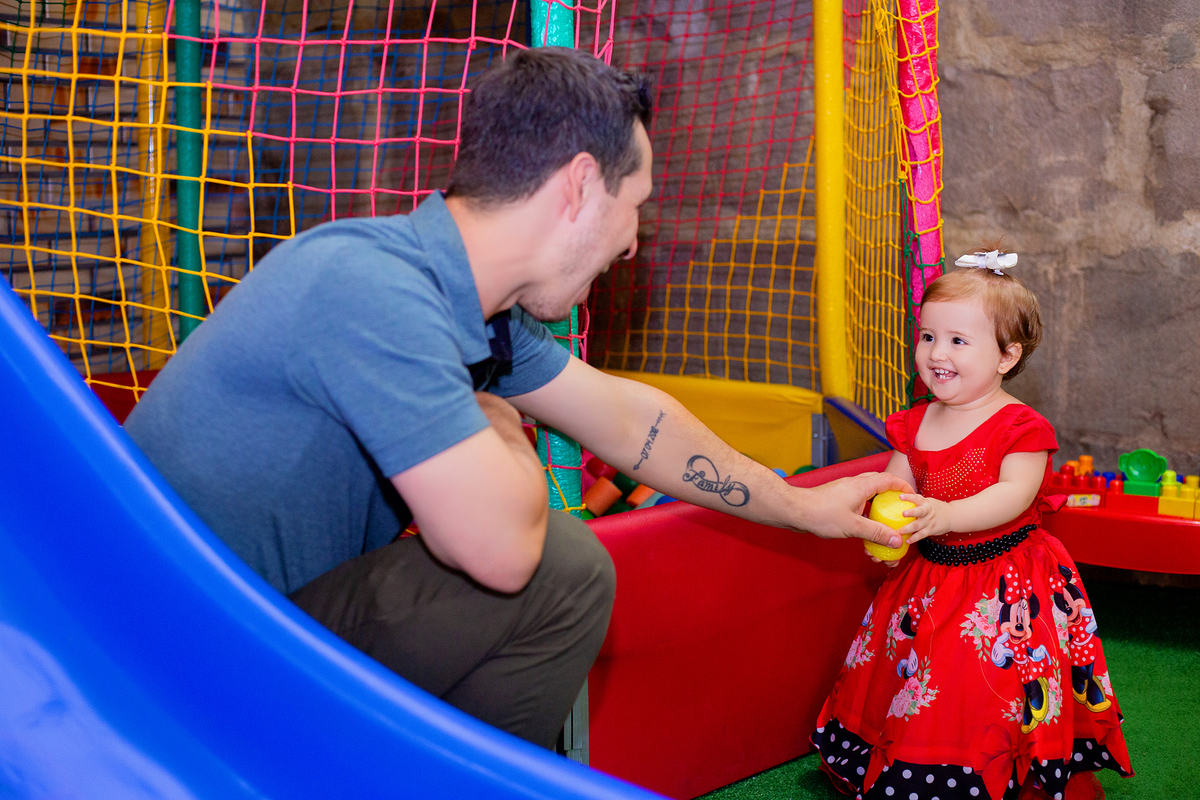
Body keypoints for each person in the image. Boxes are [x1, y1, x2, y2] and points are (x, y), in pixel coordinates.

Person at [124, 47, 909, 751]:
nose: (632, 242)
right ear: (579, 186)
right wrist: (501, 423)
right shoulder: (372, 288)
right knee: (561, 571)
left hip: (247, 632)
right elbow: (501, 555)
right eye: (634, 204)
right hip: (172, 668)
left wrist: (803, 505)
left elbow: (632, 423)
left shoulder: (473, 306)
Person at [811, 253, 1132, 800]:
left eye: (958, 341)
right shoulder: (916, 420)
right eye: (928, 337)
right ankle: (918, 765)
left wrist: (947, 515)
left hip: (1005, 585)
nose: (936, 353)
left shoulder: (1021, 427)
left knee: (984, 685)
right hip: (929, 578)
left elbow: (1013, 495)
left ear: (1007, 356)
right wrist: (884, 525)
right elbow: (897, 484)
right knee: (924, 677)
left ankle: (992, 770)